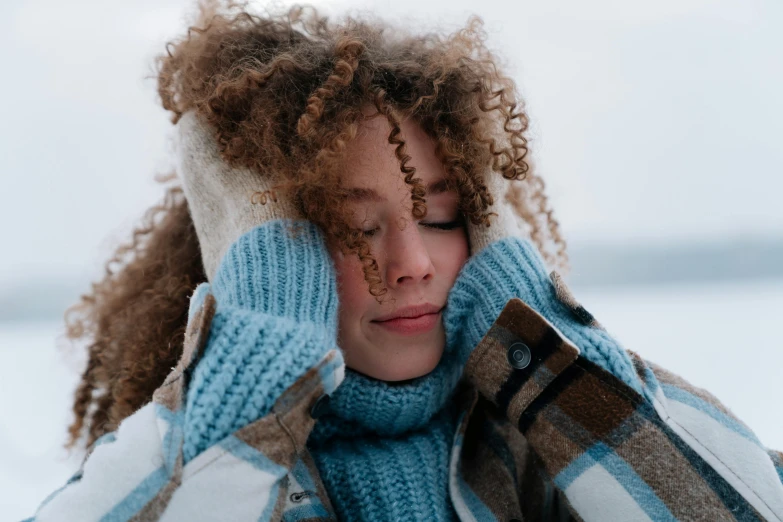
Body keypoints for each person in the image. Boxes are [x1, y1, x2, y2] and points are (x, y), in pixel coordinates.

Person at [25, 1, 783, 521]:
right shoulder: (186, 462)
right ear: (261, 258)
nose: (414, 262)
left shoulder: (547, 450)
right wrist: (255, 354)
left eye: (446, 217)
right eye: (353, 228)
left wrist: (538, 338)